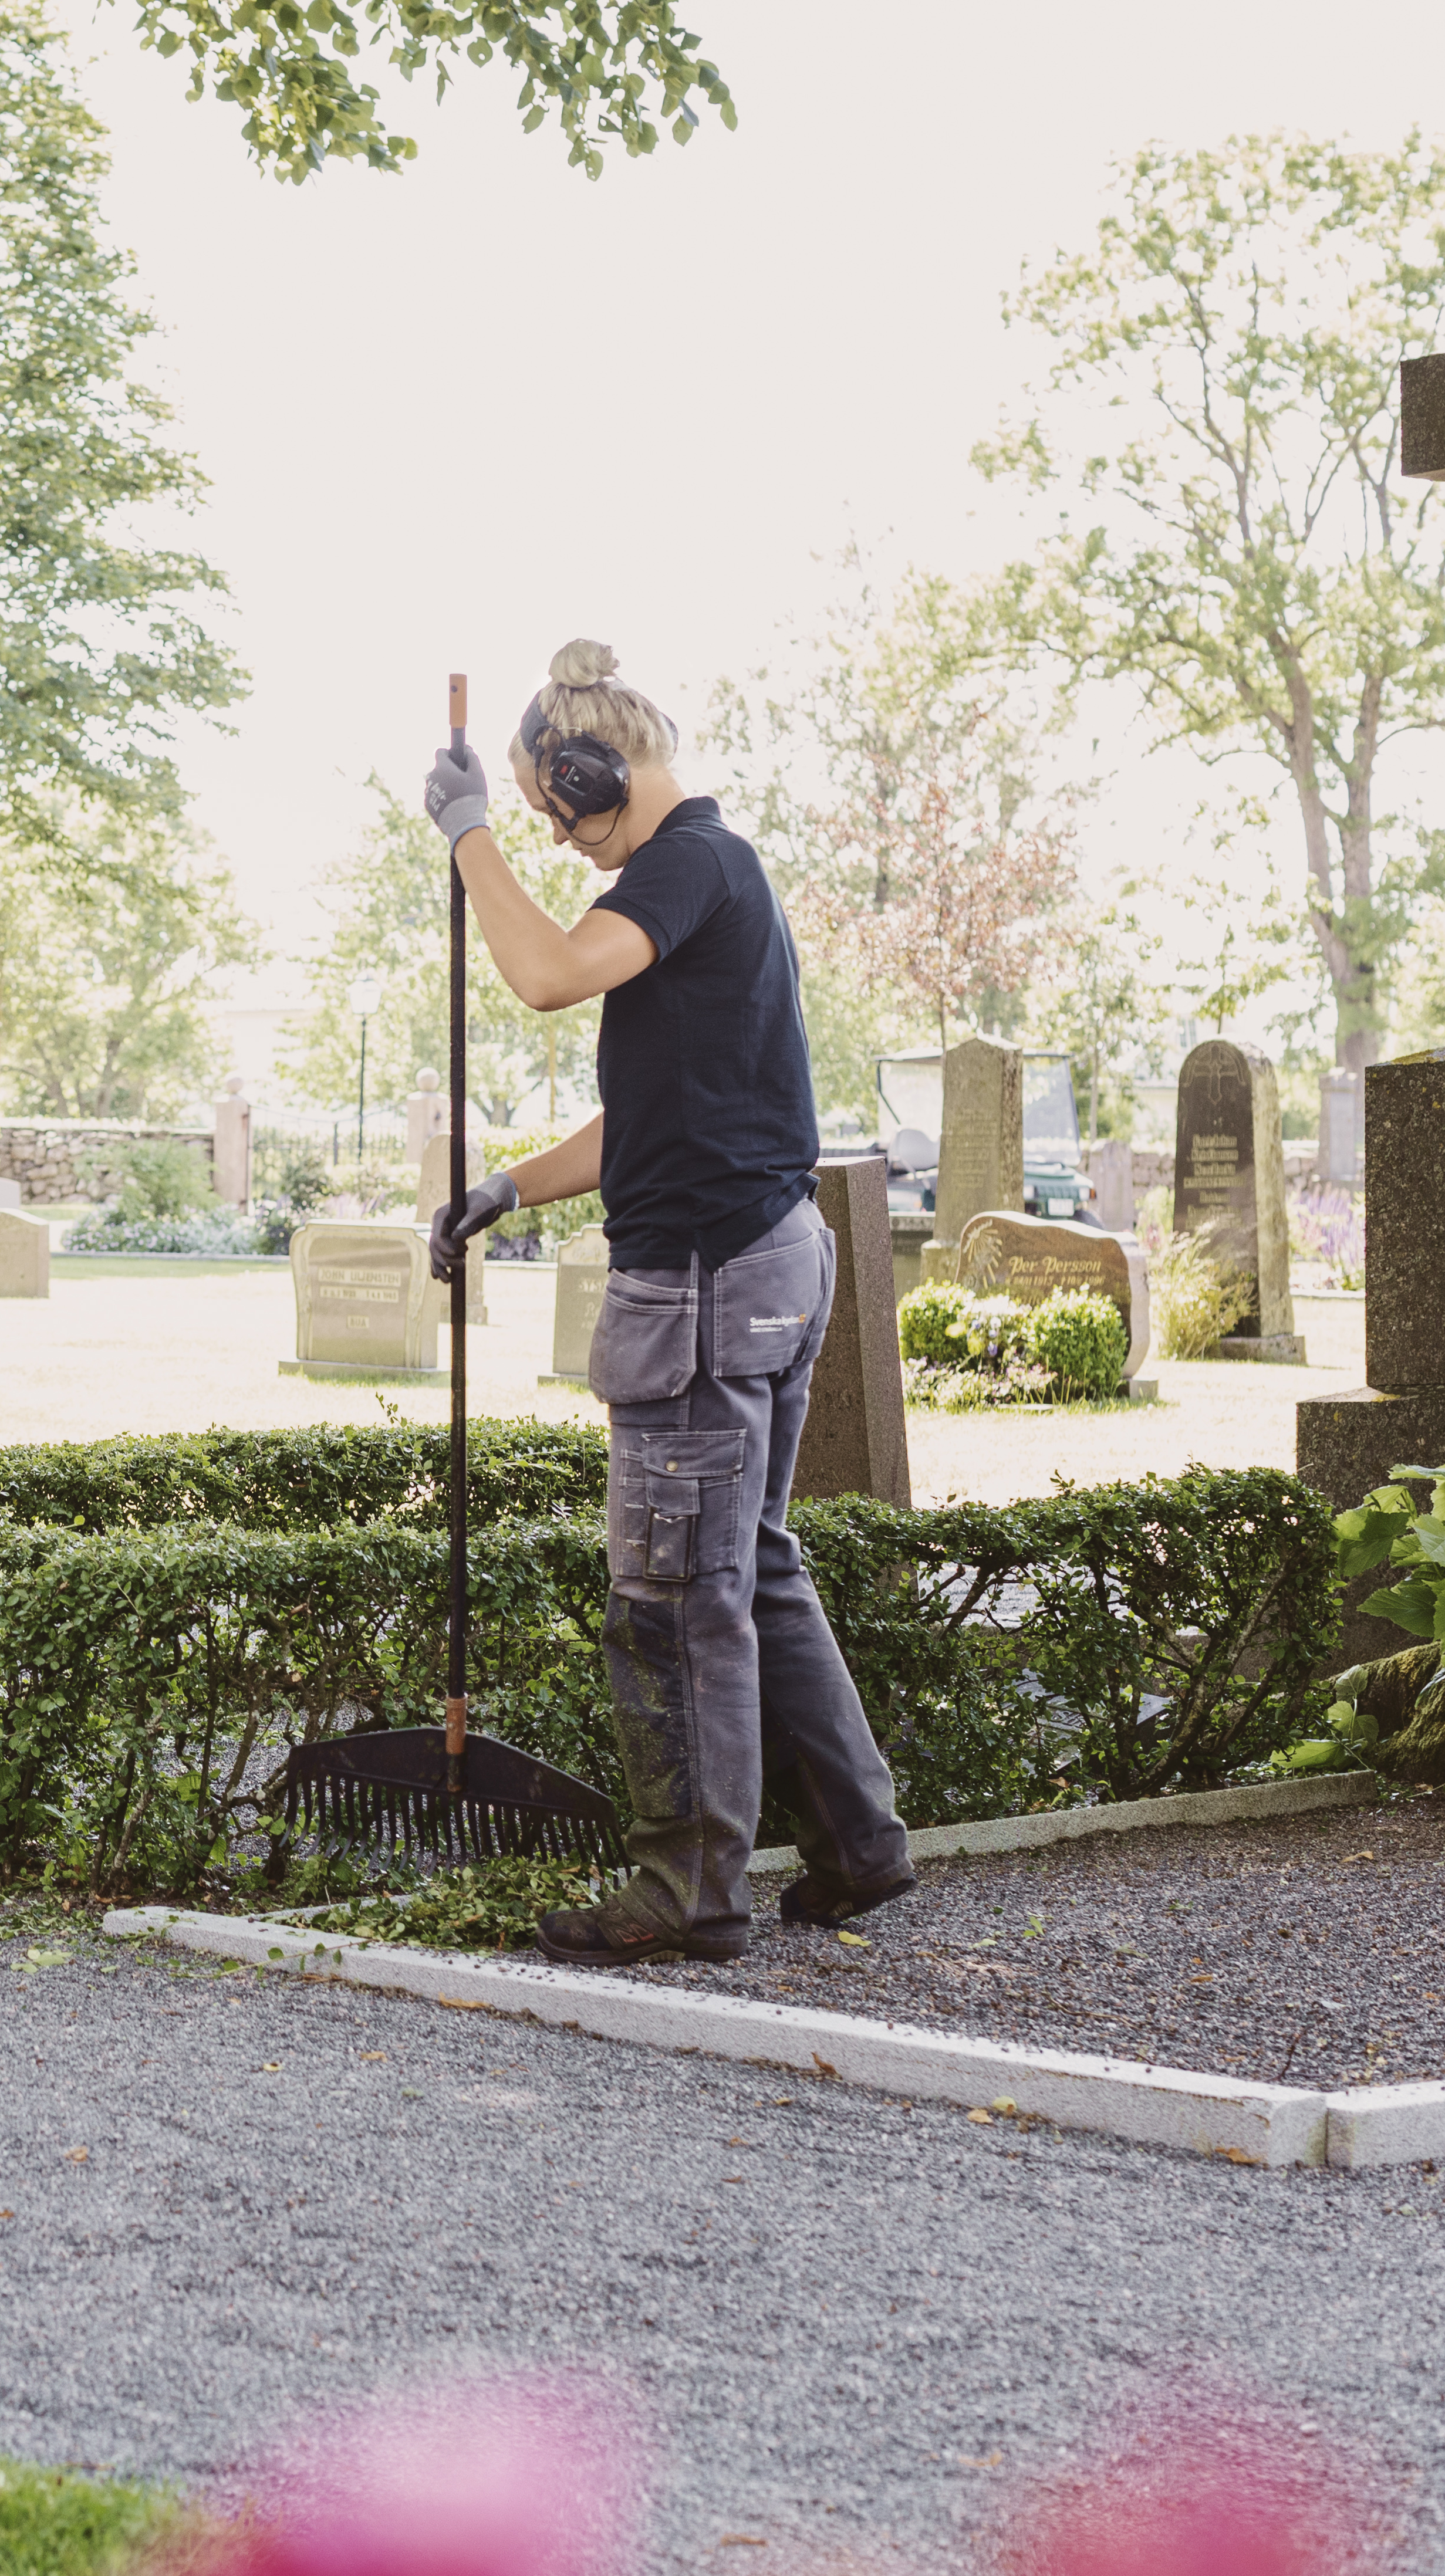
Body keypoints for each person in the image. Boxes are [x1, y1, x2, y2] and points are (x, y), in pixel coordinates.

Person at [423, 639, 913, 1966]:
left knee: (672, 1594)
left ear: (594, 775)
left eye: (553, 809)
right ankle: (857, 1843)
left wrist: (469, 836)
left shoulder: (685, 865)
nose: (554, 837)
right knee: (750, 1564)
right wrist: (507, 1187)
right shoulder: (704, 876)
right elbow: (652, 1108)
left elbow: (543, 974)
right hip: (762, 1257)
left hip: (703, 1283)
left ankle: (686, 1890)